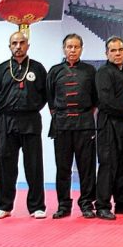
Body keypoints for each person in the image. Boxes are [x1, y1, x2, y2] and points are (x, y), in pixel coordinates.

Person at [0, 31, 48, 219]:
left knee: (34, 165)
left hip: (31, 120)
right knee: (5, 165)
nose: (18, 46)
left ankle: (37, 206)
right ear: (9, 46)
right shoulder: (1, 69)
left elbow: (45, 94)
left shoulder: (38, 68)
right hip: (7, 120)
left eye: (22, 43)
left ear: (27, 46)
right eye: (14, 43)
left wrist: (31, 107)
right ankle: (4, 206)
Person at [47, 33, 98, 219]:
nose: (73, 50)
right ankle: (63, 205)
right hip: (62, 125)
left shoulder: (90, 71)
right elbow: (50, 99)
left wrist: (83, 114)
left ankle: (86, 204)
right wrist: (61, 115)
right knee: (63, 168)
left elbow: (95, 99)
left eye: (76, 47)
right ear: (64, 49)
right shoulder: (54, 71)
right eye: (69, 47)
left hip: (85, 124)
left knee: (87, 168)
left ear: (81, 49)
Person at [95, 36, 123, 220]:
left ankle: (122, 201)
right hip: (109, 124)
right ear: (107, 53)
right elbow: (105, 101)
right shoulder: (103, 72)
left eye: (120, 50)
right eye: (113, 50)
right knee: (108, 165)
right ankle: (102, 205)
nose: (117, 53)